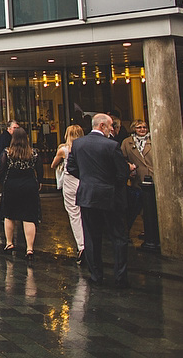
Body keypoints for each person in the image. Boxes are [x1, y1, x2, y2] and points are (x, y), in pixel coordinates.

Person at [66, 113, 133, 287]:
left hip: (88, 195)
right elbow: (122, 173)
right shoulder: (111, 146)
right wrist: (110, 182)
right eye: (111, 126)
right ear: (102, 126)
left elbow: (71, 167)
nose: (112, 129)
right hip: (109, 196)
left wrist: (87, 179)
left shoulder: (78, 144)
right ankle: (120, 277)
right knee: (118, 237)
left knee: (92, 236)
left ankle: (96, 275)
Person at [0, 127, 43, 261]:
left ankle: (9, 243)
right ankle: (29, 248)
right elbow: (40, 170)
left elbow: (1, 169)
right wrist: (40, 182)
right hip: (29, 185)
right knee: (29, 217)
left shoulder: (7, 153)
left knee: (9, 215)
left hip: (12, 185)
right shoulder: (33, 153)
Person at [51, 124, 86, 263]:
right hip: (83, 181)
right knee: (85, 212)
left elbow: (53, 164)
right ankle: (88, 242)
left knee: (74, 213)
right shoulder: (85, 148)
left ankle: (82, 245)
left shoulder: (64, 150)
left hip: (70, 182)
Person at [120, 120, 153, 233]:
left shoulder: (153, 140)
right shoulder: (127, 142)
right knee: (139, 205)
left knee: (152, 204)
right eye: (139, 127)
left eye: (144, 127)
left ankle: (151, 230)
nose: (142, 129)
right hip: (137, 177)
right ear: (134, 128)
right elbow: (122, 158)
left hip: (152, 175)